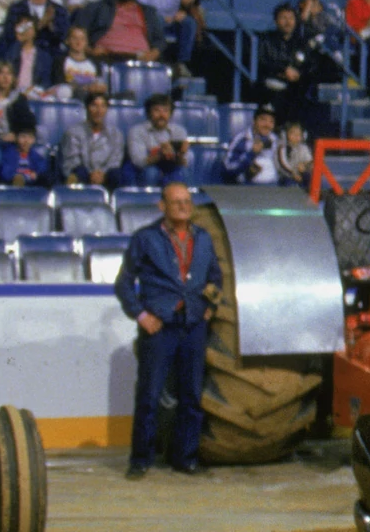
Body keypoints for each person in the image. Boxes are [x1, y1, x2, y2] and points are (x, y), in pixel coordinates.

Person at [113, 180, 220, 478]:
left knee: (192, 396)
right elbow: (123, 284)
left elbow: (216, 279)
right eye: (177, 202)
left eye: (187, 201)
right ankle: (141, 460)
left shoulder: (204, 239)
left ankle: (185, 459)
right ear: (162, 206)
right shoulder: (145, 238)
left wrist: (210, 307)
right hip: (159, 329)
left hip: (193, 327)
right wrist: (141, 315)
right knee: (149, 395)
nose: (184, 206)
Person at [59, 91, 126, 188]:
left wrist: (103, 173)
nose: (99, 111)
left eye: (103, 106)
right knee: (78, 174)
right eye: (94, 106)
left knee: (117, 175)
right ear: (86, 108)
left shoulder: (116, 134)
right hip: (82, 172)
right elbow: (72, 160)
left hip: (107, 174)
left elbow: (115, 160)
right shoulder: (73, 133)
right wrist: (91, 174)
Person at [123, 93, 190, 189]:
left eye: (166, 111)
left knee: (183, 171)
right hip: (144, 169)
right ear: (149, 113)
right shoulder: (136, 131)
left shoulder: (179, 131)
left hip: (170, 167)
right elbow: (138, 162)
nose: (162, 115)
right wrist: (160, 154)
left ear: (170, 114)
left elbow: (183, 162)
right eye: (157, 110)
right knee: (151, 172)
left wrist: (181, 155)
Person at [221, 105, 281, 185]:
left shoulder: (276, 140)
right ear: (254, 121)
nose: (267, 124)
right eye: (263, 120)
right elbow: (227, 168)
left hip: (274, 189)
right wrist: (251, 153)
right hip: (247, 190)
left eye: (271, 121)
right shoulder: (242, 139)